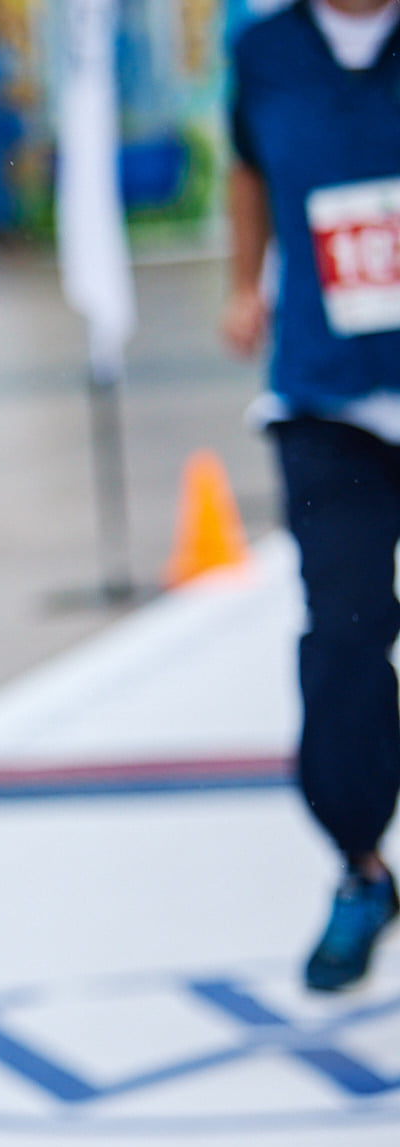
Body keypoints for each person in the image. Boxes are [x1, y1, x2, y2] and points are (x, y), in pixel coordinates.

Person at [223, 0, 400, 990]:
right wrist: (243, 283)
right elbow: (249, 170)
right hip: (326, 398)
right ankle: (360, 867)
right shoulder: (265, 52)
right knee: (341, 639)